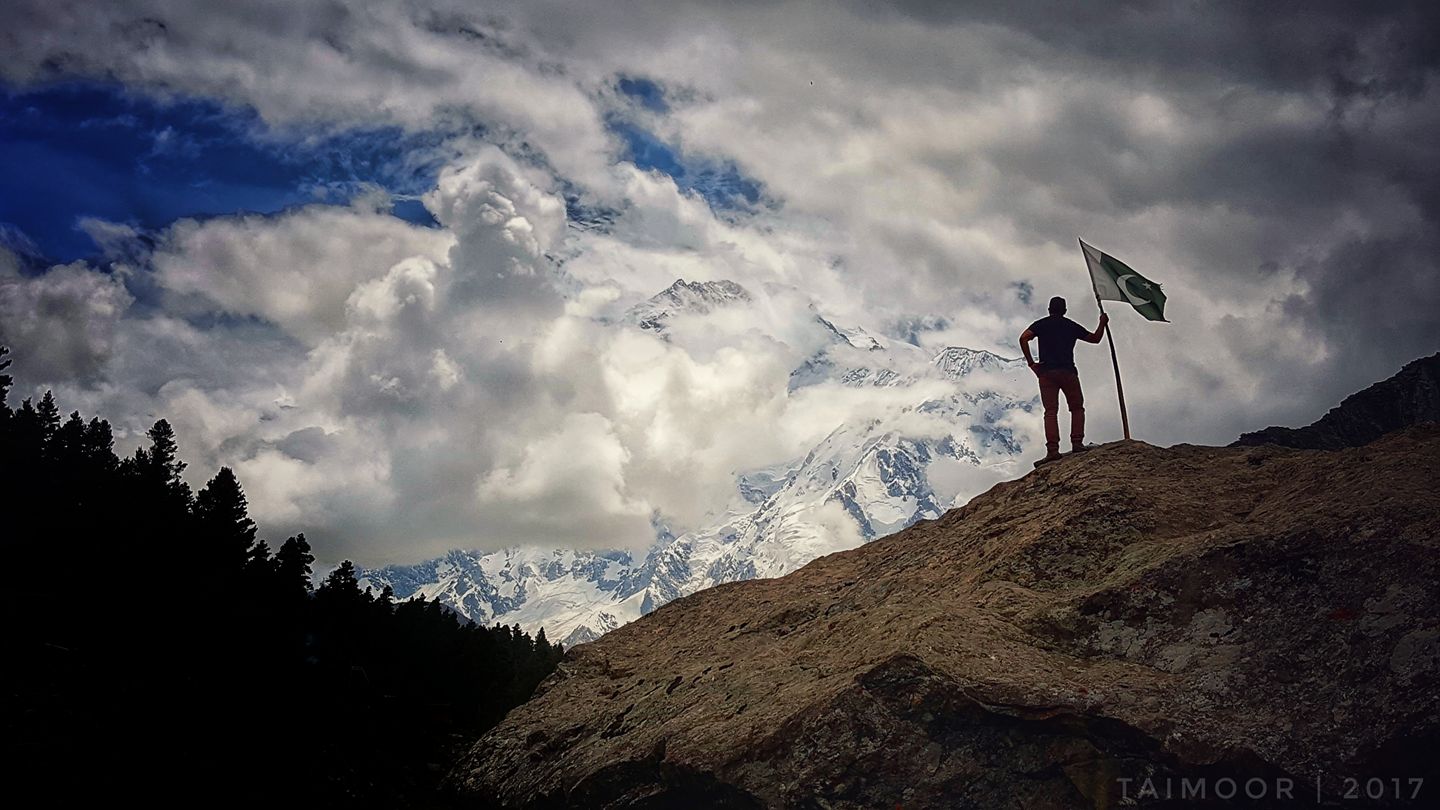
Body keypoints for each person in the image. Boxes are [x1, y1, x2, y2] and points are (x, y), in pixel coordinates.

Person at [1019, 296, 1107, 465]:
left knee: (1050, 411)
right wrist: (1102, 322)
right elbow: (1095, 339)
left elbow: (1023, 338)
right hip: (1068, 372)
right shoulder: (1070, 326)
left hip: (1046, 373)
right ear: (1065, 311)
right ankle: (1077, 443)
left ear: (1049, 309)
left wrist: (1031, 363)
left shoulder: (1041, 324)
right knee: (1076, 407)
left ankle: (1052, 451)